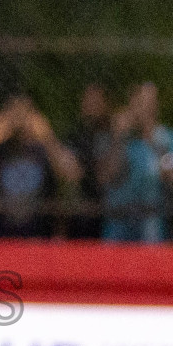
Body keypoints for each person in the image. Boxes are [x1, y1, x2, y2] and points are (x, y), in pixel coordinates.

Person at [0, 93, 81, 237]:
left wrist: (48, 139)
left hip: (40, 235)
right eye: (14, 114)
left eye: (25, 114)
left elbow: (72, 176)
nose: (19, 122)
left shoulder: (44, 150)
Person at [99, 82, 173, 243]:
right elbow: (105, 177)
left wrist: (155, 142)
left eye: (147, 103)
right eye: (138, 103)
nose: (143, 109)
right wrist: (118, 138)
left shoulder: (171, 139)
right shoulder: (116, 139)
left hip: (153, 228)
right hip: (118, 227)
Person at [66, 82, 112, 238]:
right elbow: (73, 172)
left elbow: (104, 175)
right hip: (81, 210)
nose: (91, 105)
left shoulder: (113, 136)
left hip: (108, 209)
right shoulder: (75, 136)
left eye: (96, 100)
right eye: (88, 100)